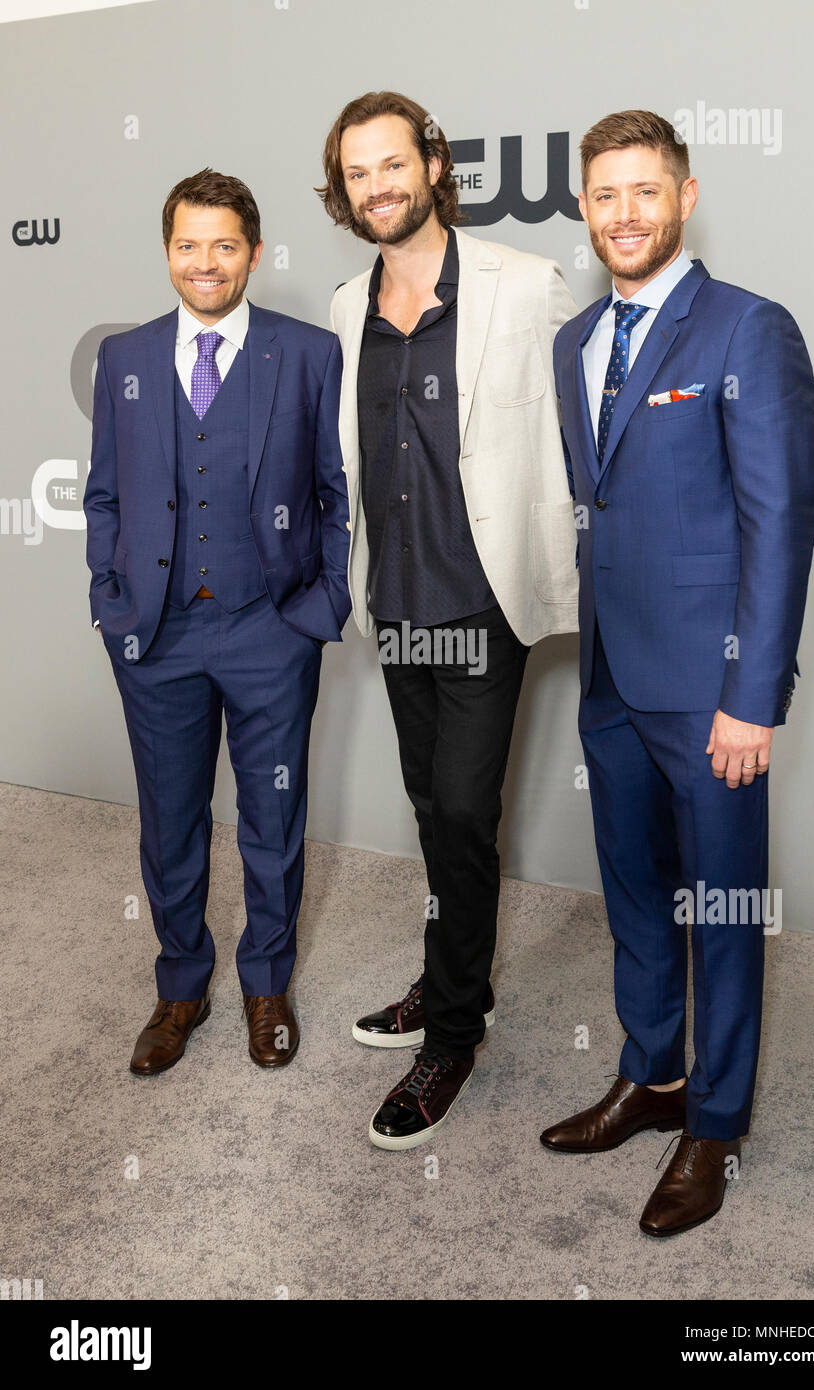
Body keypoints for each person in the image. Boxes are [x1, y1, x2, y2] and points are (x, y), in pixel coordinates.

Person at [543, 110, 814, 1235]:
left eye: (642, 192)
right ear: (582, 207)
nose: (622, 215)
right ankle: (650, 1075)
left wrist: (750, 699)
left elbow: (777, 521)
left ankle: (714, 1120)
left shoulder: (748, 330)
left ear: (685, 195)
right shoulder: (573, 344)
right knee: (633, 897)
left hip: (710, 693)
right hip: (609, 680)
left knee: (721, 909)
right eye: (603, 196)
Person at [319, 91, 580, 1149]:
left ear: (431, 164)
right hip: (397, 607)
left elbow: (585, 428)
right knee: (433, 810)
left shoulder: (526, 285)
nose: (378, 186)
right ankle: (443, 978)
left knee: (467, 812)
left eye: (393, 164)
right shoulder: (345, 306)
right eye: (357, 174)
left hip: (483, 607)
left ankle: (455, 1033)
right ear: (341, 192)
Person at [84, 169, 350, 1076]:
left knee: (273, 816)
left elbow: (333, 494)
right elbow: (107, 496)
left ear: (255, 253)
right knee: (171, 820)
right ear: (168, 253)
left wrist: (320, 609)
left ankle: (266, 984)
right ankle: (180, 987)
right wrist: (109, 601)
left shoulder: (308, 353)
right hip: (156, 637)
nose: (207, 263)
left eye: (224, 245)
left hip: (271, 629)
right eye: (189, 246)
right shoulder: (125, 358)